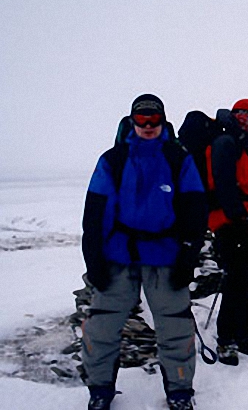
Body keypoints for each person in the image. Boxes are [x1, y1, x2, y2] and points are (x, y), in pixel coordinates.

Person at [81, 94, 208, 410]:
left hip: (166, 256)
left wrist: (188, 253)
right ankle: (100, 391)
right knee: (101, 327)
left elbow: (194, 209)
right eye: (142, 119)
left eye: (154, 119)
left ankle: (179, 393)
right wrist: (93, 258)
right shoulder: (113, 160)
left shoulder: (179, 158)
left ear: (163, 120)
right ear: (132, 121)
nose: (149, 125)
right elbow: (95, 214)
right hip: (118, 257)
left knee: (175, 328)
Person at [206, 98, 248, 366]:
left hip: (247, 223)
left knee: (245, 280)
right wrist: (238, 217)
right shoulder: (227, 143)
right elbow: (223, 184)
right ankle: (226, 339)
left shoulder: (245, 147)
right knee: (235, 281)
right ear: (242, 118)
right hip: (233, 224)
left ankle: (242, 335)